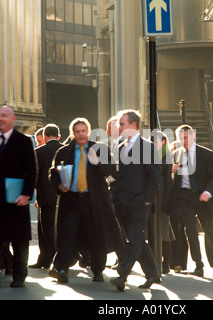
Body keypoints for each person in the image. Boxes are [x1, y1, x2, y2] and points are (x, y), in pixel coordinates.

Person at [48, 117, 124, 283]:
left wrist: (97, 163)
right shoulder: (64, 152)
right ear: (73, 133)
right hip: (72, 201)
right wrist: (59, 186)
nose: (81, 134)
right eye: (77, 131)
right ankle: (61, 269)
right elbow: (54, 174)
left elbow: (112, 169)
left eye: (83, 131)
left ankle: (97, 271)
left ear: (88, 132)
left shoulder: (100, 149)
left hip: (95, 202)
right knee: (67, 234)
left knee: (96, 237)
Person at [110, 109, 161, 291]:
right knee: (137, 239)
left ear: (133, 125)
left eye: (121, 124)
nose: (119, 127)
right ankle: (153, 274)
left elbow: (155, 175)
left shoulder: (147, 146)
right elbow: (119, 175)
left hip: (139, 203)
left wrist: (147, 199)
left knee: (133, 239)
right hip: (122, 202)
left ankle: (122, 274)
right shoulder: (121, 146)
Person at [166, 124, 213, 278]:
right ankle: (199, 265)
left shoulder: (206, 154)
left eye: (185, 137)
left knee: (210, 232)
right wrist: (172, 172)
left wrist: (208, 192)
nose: (183, 141)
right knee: (190, 231)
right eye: (180, 138)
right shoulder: (176, 154)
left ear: (193, 136)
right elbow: (173, 179)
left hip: (203, 197)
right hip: (184, 197)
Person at [0, 105, 37, 287]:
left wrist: (27, 194)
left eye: (4, 115)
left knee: (19, 240)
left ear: (13, 119)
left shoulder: (24, 141)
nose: (0, 118)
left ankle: (19, 276)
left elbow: (31, 170)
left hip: (16, 199)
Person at [29, 124, 64, 269]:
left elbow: (35, 176)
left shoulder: (38, 152)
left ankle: (46, 258)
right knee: (62, 227)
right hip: (63, 196)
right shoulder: (65, 150)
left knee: (46, 229)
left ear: (44, 136)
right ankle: (59, 257)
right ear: (59, 135)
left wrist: (35, 195)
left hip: (45, 196)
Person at [154, 131, 175, 274]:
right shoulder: (151, 156)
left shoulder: (166, 157)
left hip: (162, 199)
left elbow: (168, 181)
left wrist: (167, 200)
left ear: (162, 142)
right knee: (162, 230)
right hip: (153, 199)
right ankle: (161, 262)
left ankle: (165, 264)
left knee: (164, 232)